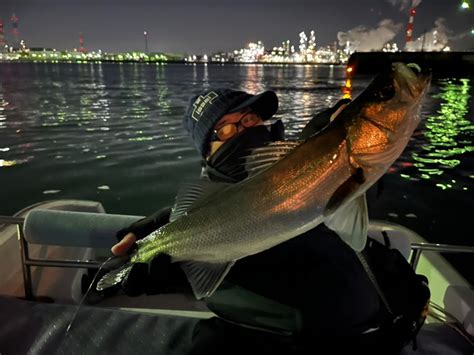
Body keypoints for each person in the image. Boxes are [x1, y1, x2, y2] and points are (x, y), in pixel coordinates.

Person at [108, 88, 429, 354]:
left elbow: (351, 188)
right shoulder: (205, 208)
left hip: (372, 335)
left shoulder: (314, 166)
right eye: (228, 128)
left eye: (250, 118)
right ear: (207, 152)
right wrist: (172, 246)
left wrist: (326, 138)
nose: (247, 129)